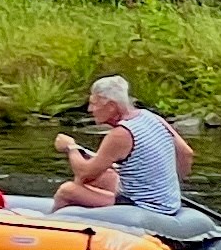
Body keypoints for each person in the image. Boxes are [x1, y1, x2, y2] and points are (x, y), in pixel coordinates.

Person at [52, 76, 186, 214]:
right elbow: (186, 153)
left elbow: (85, 174)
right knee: (108, 176)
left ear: (111, 106)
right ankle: (81, 217)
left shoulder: (121, 134)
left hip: (141, 207)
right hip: (169, 202)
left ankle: (55, 226)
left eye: (94, 103)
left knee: (67, 190)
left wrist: (71, 148)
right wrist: (171, 187)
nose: (90, 109)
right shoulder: (151, 117)